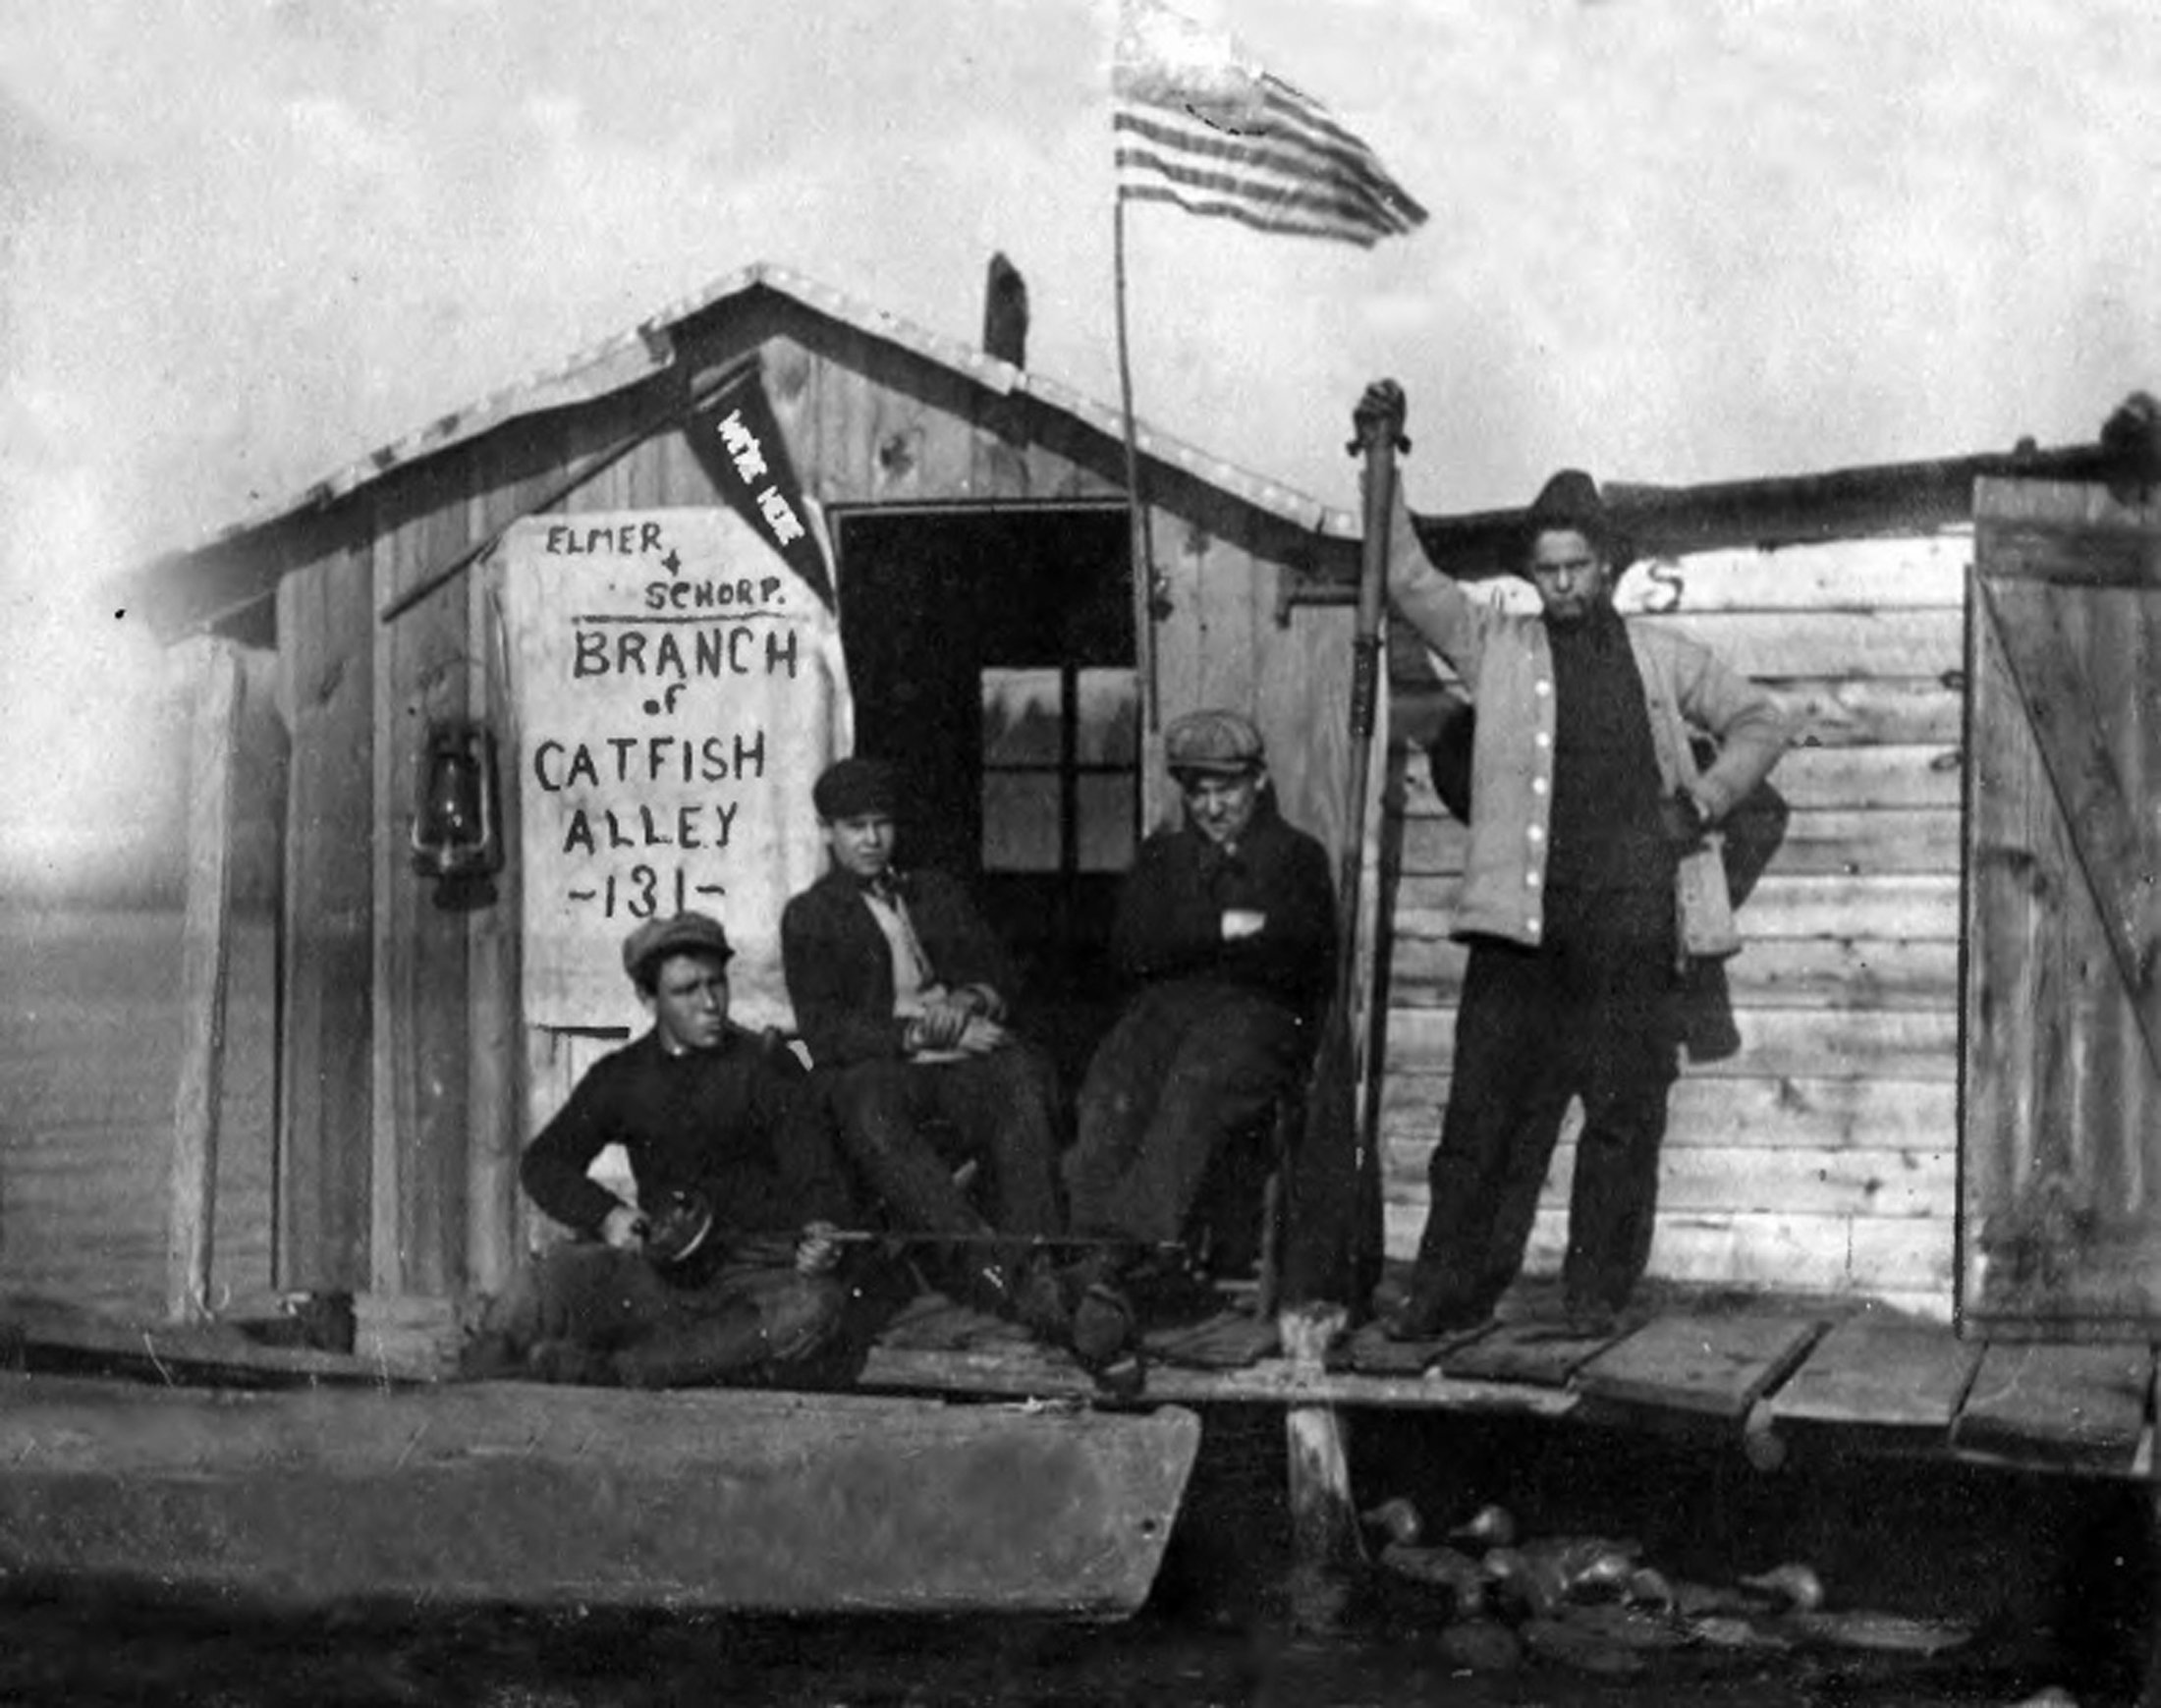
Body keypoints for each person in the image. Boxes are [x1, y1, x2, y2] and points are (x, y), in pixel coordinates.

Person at [1363, 379, 1793, 1340]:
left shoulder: (1659, 657)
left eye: (1576, 567)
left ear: (1605, 567)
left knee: (1621, 1120)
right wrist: (1382, 460)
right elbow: (1403, 576)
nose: (1559, 584)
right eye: (1544, 568)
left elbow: (1765, 720)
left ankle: (1594, 1299)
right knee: (1475, 1127)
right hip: (1517, 937)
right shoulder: (1494, 644)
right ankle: (1440, 1291)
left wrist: (1705, 798)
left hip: (1628, 931)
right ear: (1530, 573)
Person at [472, 911, 856, 1388]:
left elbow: (817, 1172)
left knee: (814, 1308)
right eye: (686, 990)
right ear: (647, 998)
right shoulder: (622, 1077)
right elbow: (544, 1162)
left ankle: (614, 1372)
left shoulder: (767, 1067)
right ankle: (483, 1367)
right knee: (549, 1278)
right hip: (659, 1277)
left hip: (757, 1278)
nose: (711, 1003)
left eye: (717, 984)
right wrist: (608, 1215)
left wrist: (821, 1234)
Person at [1060, 709, 1338, 1368]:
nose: (1212, 807)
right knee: (1113, 1074)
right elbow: (1132, 949)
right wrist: (1233, 928)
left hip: (1264, 1018)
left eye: (1227, 790)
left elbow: (1296, 955)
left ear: (1259, 782)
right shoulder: (1163, 856)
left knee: (1198, 1077)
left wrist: (1194, 933)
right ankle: (1092, 1251)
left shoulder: (1296, 857)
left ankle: (1129, 1255)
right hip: (1170, 1010)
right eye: (1198, 792)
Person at [781, 755, 1068, 1337]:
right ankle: (988, 1262)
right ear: (827, 832)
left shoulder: (933, 892)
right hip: (883, 1067)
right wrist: (912, 1034)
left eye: (881, 824)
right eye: (854, 826)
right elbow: (823, 1032)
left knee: (1020, 1078)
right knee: (866, 1108)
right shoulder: (812, 915)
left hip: (959, 1060)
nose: (870, 839)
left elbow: (1001, 973)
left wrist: (968, 1003)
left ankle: (1038, 1261)